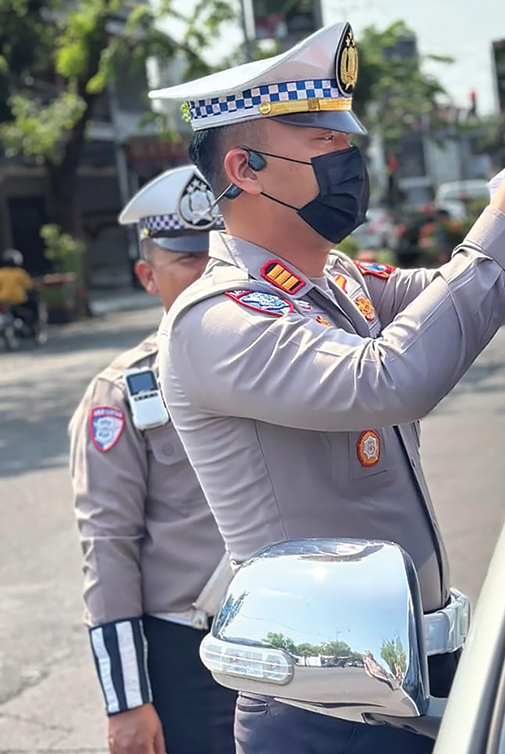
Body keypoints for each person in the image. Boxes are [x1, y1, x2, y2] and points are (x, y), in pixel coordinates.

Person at [147, 20, 505, 754]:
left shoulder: (334, 279)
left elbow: (465, 298)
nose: (349, 156)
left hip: (414, 675)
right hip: (322, 704)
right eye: (321, 142)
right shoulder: (219, 319)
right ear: (245, 167)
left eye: (345, 137)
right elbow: (390, 378)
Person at [69, 165, 237, 754]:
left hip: (295, 643)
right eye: (188, 259)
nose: (208, 272)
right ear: (147, 275)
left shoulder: (279, 357)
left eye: (219, 253)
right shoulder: (121, 394)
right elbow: (107, 547)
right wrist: (127, 703)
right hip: (191, 659)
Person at [0, 248, 40, 325]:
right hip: (18, 301)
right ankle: (34, 324)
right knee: (33, 304)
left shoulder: (1, 273)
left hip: (2, 301)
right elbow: (29, 286)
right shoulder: (20, 273)